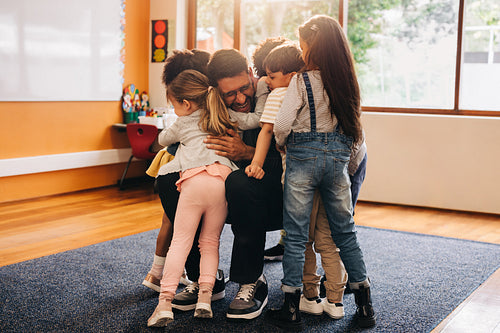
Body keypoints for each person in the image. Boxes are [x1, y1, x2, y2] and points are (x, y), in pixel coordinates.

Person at [266, 15, 376, 330]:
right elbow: (355, 132)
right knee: (345, 234)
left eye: (303, 46)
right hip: (337, 166)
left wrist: (283, 144)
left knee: (297, 235)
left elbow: (283, 123)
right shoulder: (347, 81)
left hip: (302, 162)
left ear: (312, 46)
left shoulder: (302, 80)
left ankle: (292, 305)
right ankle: (364, 305)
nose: (301, 54)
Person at [168, 48, 284, 321]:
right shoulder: (208, 108)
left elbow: (292, 161)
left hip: (276, 194)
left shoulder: (276, 98)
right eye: (230, 94)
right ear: (215, 92)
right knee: (168, 180)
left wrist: (246, 152)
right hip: (222, 194)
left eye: (244, 88)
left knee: (239, 181)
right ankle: (205, 278)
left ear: (251, 75)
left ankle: (251, 280)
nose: (240, 98)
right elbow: (175, 143)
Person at [147, 69, 239, 327]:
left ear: (186, 104)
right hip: (222, 181)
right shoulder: (221, 115)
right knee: (209, 243)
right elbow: (250, 121)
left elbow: (162, 140)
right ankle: (205, 299)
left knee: (181, 242)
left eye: (174, 105)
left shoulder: (183, 122)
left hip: (195, 181)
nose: (175, 110)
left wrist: (174, 129)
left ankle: (164, 304)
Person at [142, 49, 211, 293]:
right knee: (178, 222)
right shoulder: (199, 109)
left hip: (171, 162)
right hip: (182, 166)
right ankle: (160, 274)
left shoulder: (185, 107)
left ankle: (159, 272)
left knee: (171, 220)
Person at [245, 42, 304, 181]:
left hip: (293, 170)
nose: (266, 81)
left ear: (291, 76)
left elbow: (267, 131)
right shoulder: (307, 93)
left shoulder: (277, 94)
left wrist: (256, 164)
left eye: (271, 77)